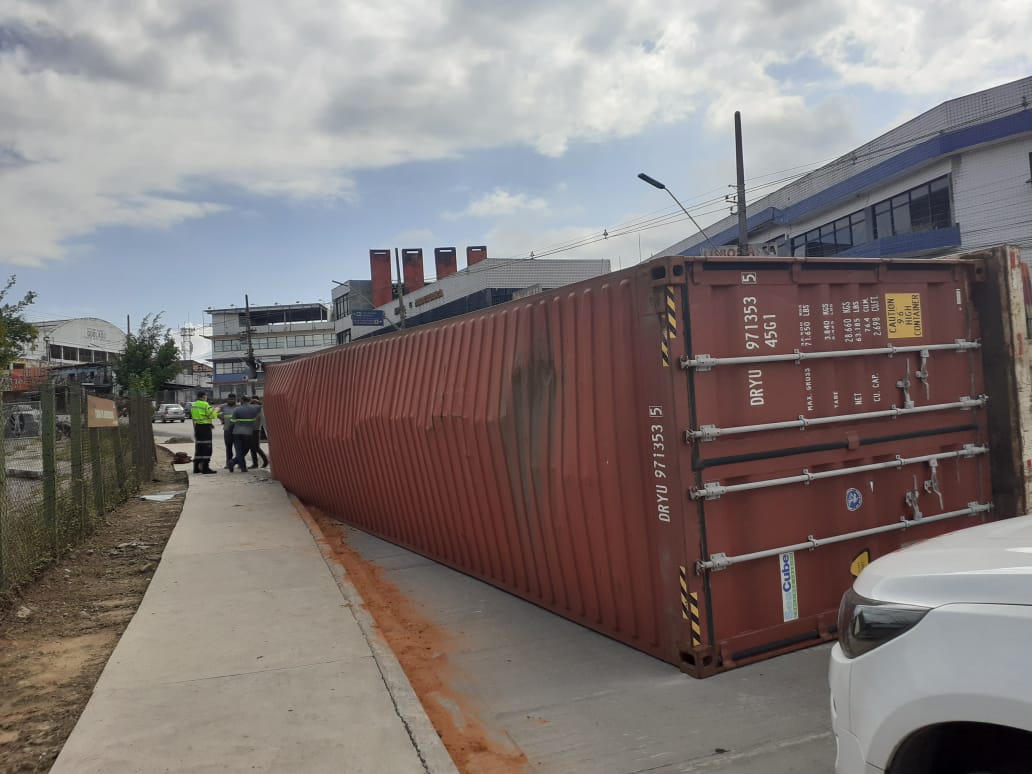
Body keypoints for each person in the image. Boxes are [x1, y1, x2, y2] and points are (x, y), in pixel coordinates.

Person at [228, 396, 262, 472]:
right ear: (249, 400)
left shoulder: (237, 409)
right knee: (245, 449)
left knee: (239, 450)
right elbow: (265, 405)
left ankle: (237, 464)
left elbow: (232, 423)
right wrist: (257, 401)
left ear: (242, 400)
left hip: (237, 432)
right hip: (248, 433)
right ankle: (234, 463)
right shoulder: (255, 408)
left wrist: (230, 432)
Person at [190, 390, 218, 474]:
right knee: (207, 448)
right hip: (205, 429)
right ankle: (205, 468)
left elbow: (198, 417)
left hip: (197, 428)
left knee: (199, 447)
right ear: (203, 396)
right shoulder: (205, 404)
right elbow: (212, 415)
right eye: (206, 396)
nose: (206, 398)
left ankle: (196, 468)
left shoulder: (193, 405)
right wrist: (216, 410)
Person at [217, 394, 238, 470]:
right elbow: (215, 412)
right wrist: (221, 418)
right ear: (227, 399)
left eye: (233, 399)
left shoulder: (239, 406)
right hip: (227, 430)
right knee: (228, 448)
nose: (231, 401)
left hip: (237, 430)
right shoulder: (223, 406)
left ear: (235, 399)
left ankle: (238, 462)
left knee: (238, 448)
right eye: (230, 399)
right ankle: (228, 463)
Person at [248, 396, 269, 468]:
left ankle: (265, 461)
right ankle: (255, 463)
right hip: (251, 430)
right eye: (252, 403)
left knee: (256, 447)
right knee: (252, 447)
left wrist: (258, 402)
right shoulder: (250, 409)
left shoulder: (260, 409)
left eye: (255, 402)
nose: (254, 404)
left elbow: (264, 405)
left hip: (256, 430)